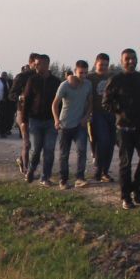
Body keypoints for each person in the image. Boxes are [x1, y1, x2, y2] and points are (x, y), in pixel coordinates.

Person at [103, 49, 140, 208]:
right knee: (125, 164)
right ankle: (126, 197)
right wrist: (120, 109)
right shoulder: (116, 80)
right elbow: (106, 103)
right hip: (123, 128)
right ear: (122, 61)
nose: (131, 61)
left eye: (133, 58)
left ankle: (135, 185)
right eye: (127, 59)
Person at [19, 54, 62, 184]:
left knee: (49, 149)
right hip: (35, 120)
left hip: (51, 121)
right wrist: (24, 121)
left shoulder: (56, 82)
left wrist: (59, 119)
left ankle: (45, 177)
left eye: (39, 64)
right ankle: (31, 169)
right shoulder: (32, 80)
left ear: (47, 64)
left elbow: (61, 102)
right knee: (36, 149)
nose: (36, 66)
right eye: (35, 64)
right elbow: (26, 102)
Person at [53, 60, 94, 188]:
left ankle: (80, 177)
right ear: (75, 71)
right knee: (64, 153)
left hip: (80, 124)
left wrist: (86, 116)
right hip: (65, 124)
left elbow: (90, 102)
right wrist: (56, 120)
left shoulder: (88, 84)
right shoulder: (65, 85)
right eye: (81, 73)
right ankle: (63, 180)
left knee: (82, 150)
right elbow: (55, 104)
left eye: (86, 73)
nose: (83, 76)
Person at [87, 53, 118, 183]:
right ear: (96, 64)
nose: (103, 67)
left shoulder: (112, 77)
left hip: (112, 113)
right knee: (103, 140)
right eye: (101, 65)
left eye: (106, 65)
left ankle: (105, 171)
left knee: (111, 142)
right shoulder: (90, 78)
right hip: (97, 113)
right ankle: (98, 170)